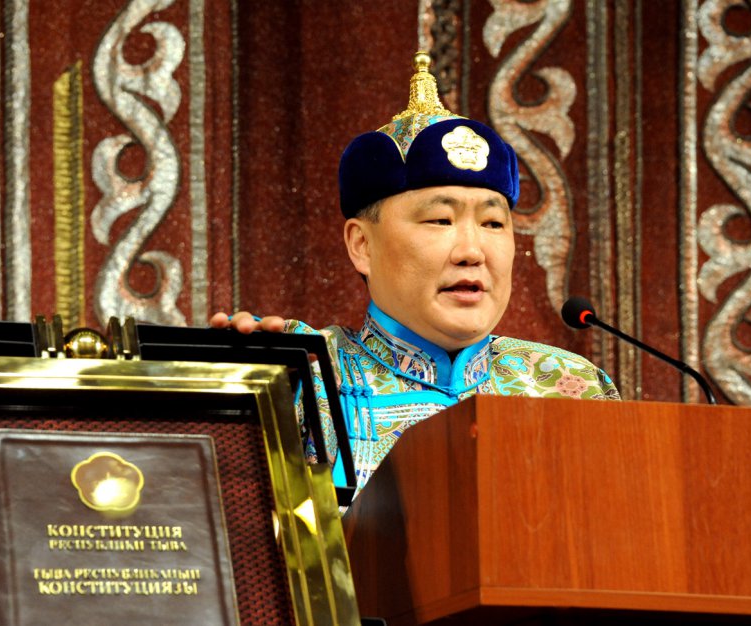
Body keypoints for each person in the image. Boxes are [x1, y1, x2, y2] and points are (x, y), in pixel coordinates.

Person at [211, 52, 619, 495]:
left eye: (492, 223)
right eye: (440, 220)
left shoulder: (569, 386)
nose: (472, 251)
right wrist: (233, 397)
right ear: (362, 245)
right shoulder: (308, 377)